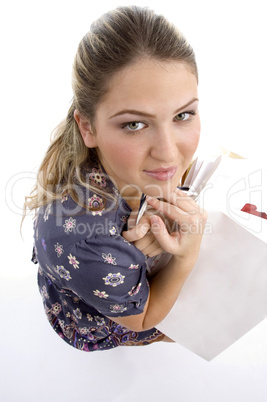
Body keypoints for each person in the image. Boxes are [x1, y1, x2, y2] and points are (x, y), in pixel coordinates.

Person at [25, 5, 207, 351]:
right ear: (88, 127)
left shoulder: (135, 164)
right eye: (134, 125)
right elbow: (143, 318)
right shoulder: (87, 241)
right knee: (200, 317)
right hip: (102, 311)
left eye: (183, 115)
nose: (168, 153)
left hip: (105, 272)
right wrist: (186, 256)